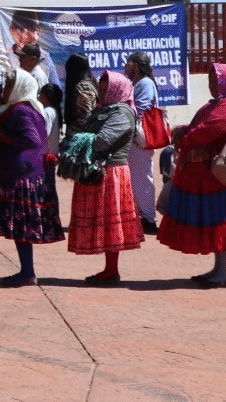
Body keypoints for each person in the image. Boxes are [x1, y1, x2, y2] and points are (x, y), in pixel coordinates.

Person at [158, 63, 226, 287]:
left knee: (224, 221)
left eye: (216, 81)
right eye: (210, 81)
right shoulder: (220, 103)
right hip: (209, 176)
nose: (212, 85)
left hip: (219, 176)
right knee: (217, 222)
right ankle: (220, 270)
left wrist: (184, 136)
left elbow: (210, 130)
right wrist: (186, 131)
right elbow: (203, 126)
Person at [0, 70, 64, 287]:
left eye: (9, 86)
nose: (6, 90)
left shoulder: (23, 111)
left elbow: (31, 140)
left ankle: (27, 271)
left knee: (22, 228)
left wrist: (2, 137)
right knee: (21, 229)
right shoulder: (26, 108)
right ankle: (26, 270)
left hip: (22, 175)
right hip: (25, 172)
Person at [69, 71, 143, 285]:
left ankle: (111, 271)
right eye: (100, 89)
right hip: (99, 171)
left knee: (110, 223)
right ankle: (109, 270)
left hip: (110, 174)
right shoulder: (104, 110)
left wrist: (78, 139)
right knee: (103, 222)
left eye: (105, 89)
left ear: (116, 90)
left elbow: (102, 141)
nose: (101, 93)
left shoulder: (122, 113)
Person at [124, 52, 160, 233]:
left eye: (129, 64)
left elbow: (141, 109)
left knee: (143, 179)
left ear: (136, 65)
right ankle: (140, 215)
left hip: (140, 137)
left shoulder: (145, 83)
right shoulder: (137, 82)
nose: (126, 67)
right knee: (136, 178)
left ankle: (148, 218)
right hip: (134, 138)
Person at [63, 54, 99, 138]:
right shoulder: (91, 82)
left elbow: (86, 116)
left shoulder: (82, 88)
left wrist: (72, 134)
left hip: (80, 138)